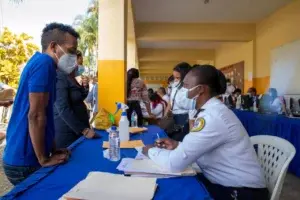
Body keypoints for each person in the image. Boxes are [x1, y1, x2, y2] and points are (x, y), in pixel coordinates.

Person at [143, 65, 268, 200]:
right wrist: (178, 145)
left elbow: (175, 163)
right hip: (224, 182)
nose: (180, 90)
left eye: (185, 85)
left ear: (200, 90)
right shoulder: (210, 110)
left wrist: (149, 150)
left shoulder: (213, 117)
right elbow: (200, 146)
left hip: (242, 192)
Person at [3, 23, 79, 185]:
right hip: (25, 160)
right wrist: (43, 159)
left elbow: (45, 115)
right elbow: (36, 115)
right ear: (53, 47)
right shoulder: (44, 63)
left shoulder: (43, 64)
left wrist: (52, 149)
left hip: (23, 156)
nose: (73, 57)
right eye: (71, 51)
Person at [54, 63, 96, 149]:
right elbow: (62, 108)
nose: (79, 66)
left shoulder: (71, 77)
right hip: (68, 132)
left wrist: (85, 86)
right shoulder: (60, 77)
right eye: (77, 62)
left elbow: (79, 98)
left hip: (79, 130)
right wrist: (84, 130)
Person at [164, 62, 191, 141]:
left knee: (179, 141)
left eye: (178, 78)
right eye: (174, 77)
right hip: (173, 117)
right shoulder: (175, 85)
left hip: (184, 118)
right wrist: (165, 116)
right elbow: (170, 101)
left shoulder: (190, 89)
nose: (175, 80)